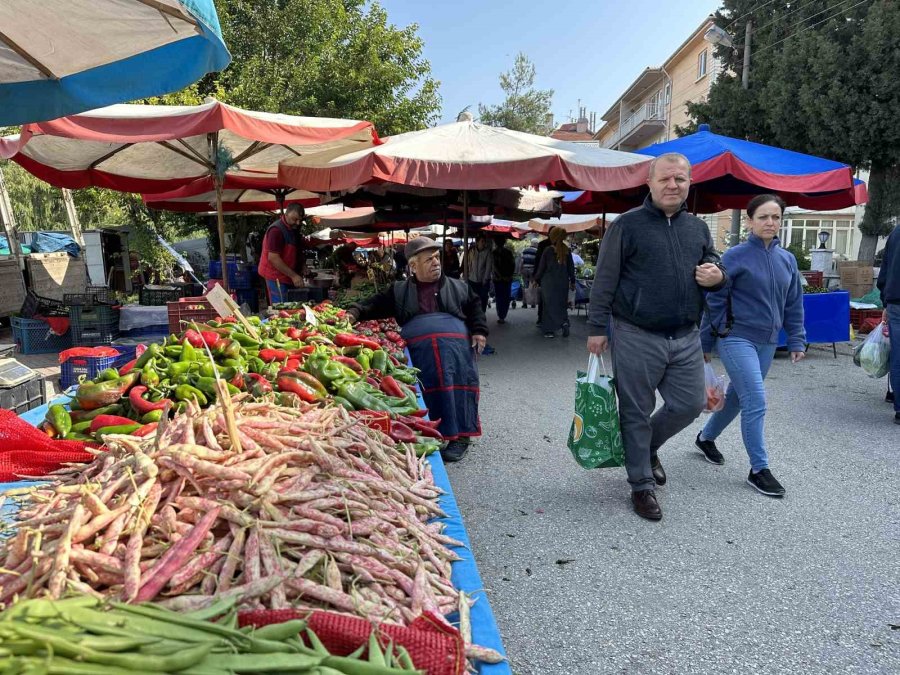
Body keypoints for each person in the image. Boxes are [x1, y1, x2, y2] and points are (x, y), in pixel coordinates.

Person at [586, 152, 726, 521]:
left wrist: (719, 274)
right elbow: (605, 279)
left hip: (685, 335)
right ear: (649, 182)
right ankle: (641, 485)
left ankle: (645, 447)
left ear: (689, 183)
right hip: (636, 333)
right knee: (635, 409)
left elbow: (712, 261)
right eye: (665, 178)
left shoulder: (697, 227)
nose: (672, 185)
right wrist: (597, 327)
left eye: (680, 179)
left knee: (691, 403)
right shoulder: (626, 226)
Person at [698, 194, 806, 497]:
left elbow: (794, 303)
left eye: (776, 217)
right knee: (755, 400)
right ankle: (759, 469)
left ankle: (706, 438)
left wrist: (796, 338)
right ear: (749, 221)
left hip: (768, 341)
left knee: (736, 398)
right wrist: (705, 342)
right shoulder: (734, 256)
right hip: (735, 337)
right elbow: (715, 300)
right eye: (763, 217)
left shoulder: (787, 259)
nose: (770, 222)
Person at [347, 237, 488, 462]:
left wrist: (479, 330)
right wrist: (354, 312)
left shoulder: (457, 286)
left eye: (437, 257)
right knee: (426, 389)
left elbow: (475, 307)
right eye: (429, 259)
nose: (436, 263)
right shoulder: (400, 290)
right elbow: (373, 304)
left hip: (454, 351)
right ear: (413, 266)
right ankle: (429, 432)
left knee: (456, 388)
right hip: (421, 353)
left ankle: (460, 436)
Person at [876, 221, 900, 425]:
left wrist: (886, 301)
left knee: (898, 355)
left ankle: (899, 406)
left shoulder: (895, 233)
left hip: (896, 302)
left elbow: (884, 271)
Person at [258, 203, 307, 304]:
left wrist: (302, 266)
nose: (297, 223)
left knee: (290, 306)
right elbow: (273, 258)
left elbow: (296, 251)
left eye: (300, 220)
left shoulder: (293, 228)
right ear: (286, 214)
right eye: (295, 219)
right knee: (281, 306)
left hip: (286, 275)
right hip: (274, 275)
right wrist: (294, 276)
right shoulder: (276, 231)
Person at [534, 228, 575, 338]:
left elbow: (541, 268)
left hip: (548, 283)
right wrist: (573, 281)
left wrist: (535, 279)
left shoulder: (548, 250)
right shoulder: (567, 250)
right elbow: (571, 268)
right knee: (561, 305)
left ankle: (549, 330)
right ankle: (564, 323)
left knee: (548, 306)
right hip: (563, 282)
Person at [464, 234, 493, 313]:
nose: (484, 243)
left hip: (483, 281)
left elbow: (488, 267)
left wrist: (485, 279)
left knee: (483, 299)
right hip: (472, 280)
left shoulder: (487, 252)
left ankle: (482, 314)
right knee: (472, 299)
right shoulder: (471, 251)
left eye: (484, 242)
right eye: (482, 241)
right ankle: (474, 315)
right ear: (477, 242)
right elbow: (468, 264)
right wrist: (466, 277)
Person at [492, 237, 516, 324]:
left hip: (498, 279)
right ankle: (502, 315)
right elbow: (513, 265)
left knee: (499, 297)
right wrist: (508, 276)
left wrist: (499, 276)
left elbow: (493, 267)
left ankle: (501, 316)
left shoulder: (494, 253)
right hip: (506, 279)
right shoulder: (508, 252)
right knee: (505, 297)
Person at [533, 230, 554, 323]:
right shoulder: (560, 246)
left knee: (543, 297)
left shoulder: (542, 244)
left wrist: (536, 276)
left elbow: (538, 260)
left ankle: (541, 317)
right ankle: (546, 317)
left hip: (544, 275)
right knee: (550, 298)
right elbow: (538, 260)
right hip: (552, 276)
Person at [518, 240, 539, 308]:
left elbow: (522, 261)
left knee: (525, 286)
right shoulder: (537, 251)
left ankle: (524, 303)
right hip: (532, 270)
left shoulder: (525, 250)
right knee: (533, 286)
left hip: (525, 269)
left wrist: (520, 270)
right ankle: (532, 303)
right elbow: (537, 262)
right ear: (536, 244)